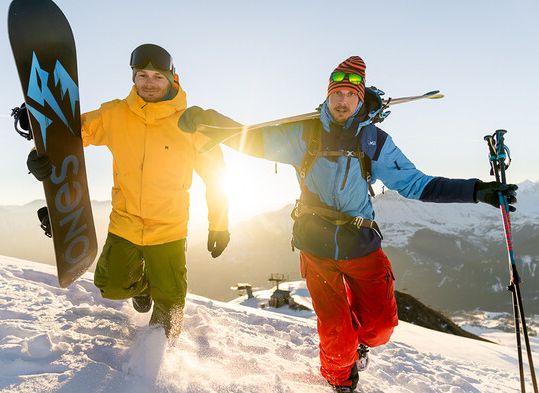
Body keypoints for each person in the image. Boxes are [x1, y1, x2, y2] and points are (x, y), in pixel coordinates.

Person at [177, 56, 517, 392]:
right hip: (316, 246)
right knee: (337, 335)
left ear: (360, 98)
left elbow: (417, 184)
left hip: (361, 245)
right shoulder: (304, 134)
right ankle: (339, 380)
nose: (342, 101)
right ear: (327, 96)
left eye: (350, 95)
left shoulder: (374, 141)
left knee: (381, 329)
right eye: (337, 93)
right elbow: (250, 139)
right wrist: (210, 120)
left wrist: (477, 191)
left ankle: (360, 344)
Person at [25, 43, 231, 339]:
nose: (149, 84)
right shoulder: (115, 114)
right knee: (110, 285)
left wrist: (219, 225)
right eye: (142, 76)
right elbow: (72, 133)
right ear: (133, 78)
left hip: (169, 229)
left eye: (157, 77)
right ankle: (143, 285)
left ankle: (158, 364)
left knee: (170, 306)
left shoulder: (190, 124)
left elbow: (217, 176)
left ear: (173, 79)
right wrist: (38, 154)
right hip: (126, 222)